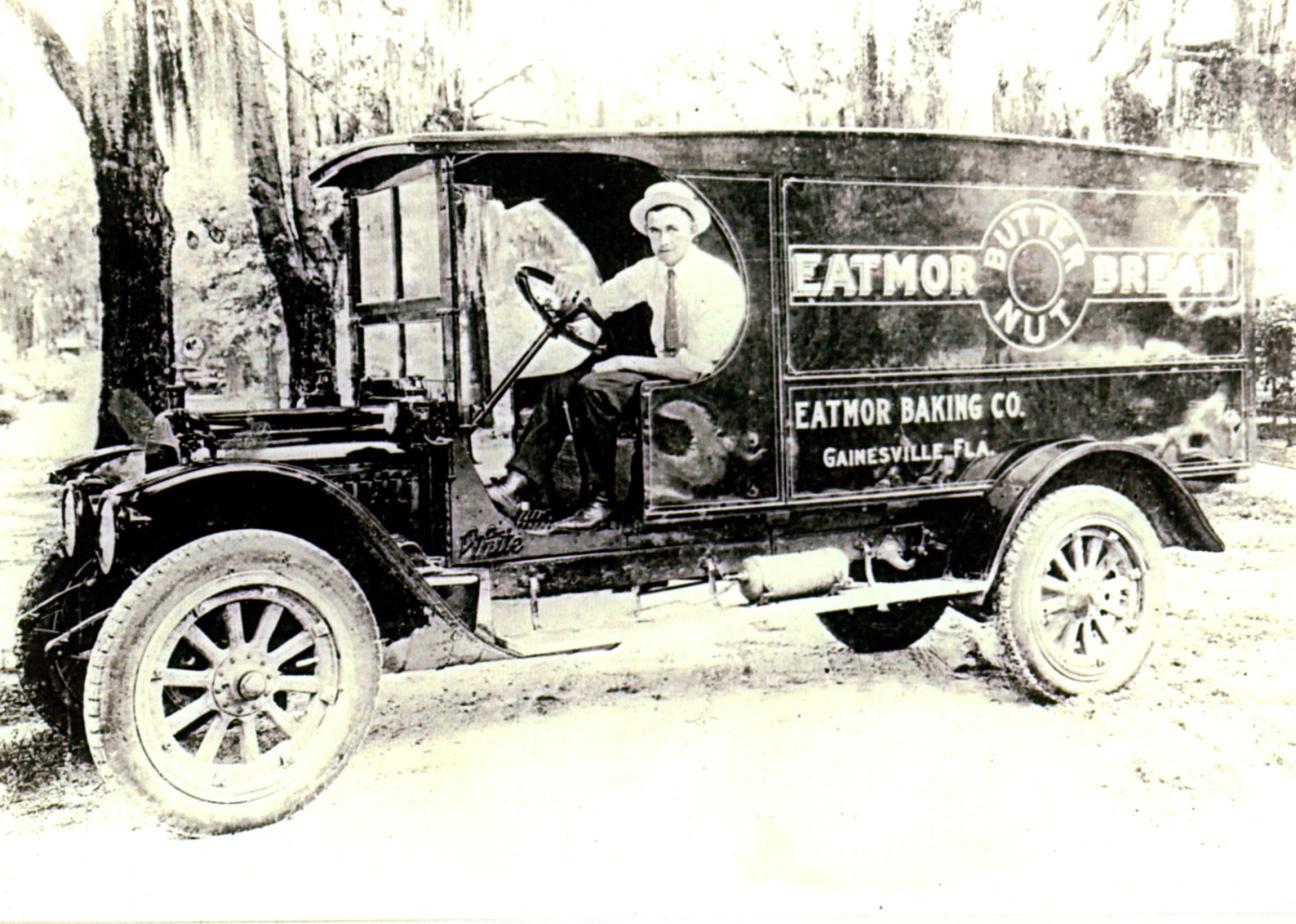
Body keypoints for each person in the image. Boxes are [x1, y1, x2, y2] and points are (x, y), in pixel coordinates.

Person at [488, 180, 746, 531]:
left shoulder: (715, 279)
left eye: (672, 229)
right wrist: (566, 297)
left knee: (598, 388)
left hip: (707, 381)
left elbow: (691, 368)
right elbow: (600, 302)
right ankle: (518, 482)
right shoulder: (651, 270)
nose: (663, 240)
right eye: (655, 232)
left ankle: (600, 501)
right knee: (562, 386)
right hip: (667, 370)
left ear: (692, 230)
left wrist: (623, 362)